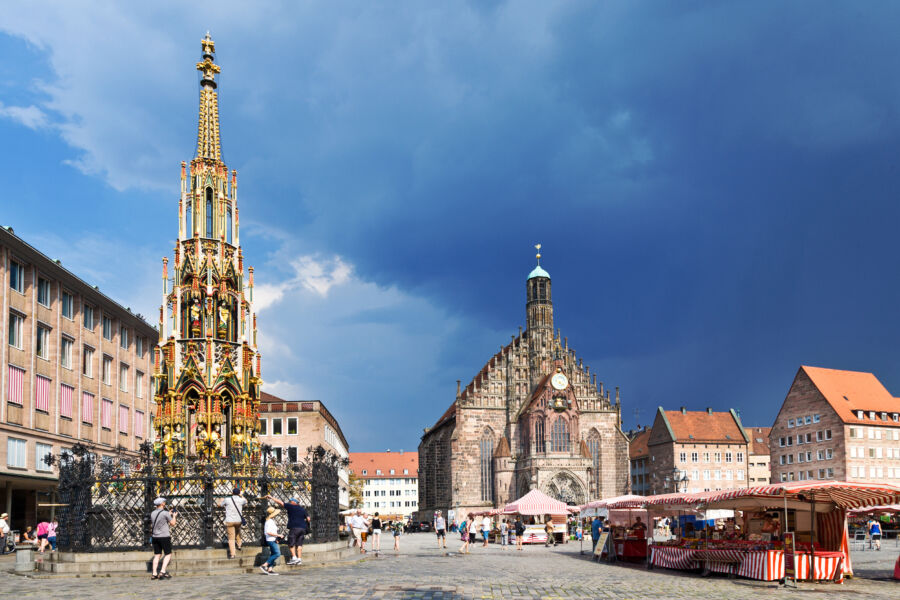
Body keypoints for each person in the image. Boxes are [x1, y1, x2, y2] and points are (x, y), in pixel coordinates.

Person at [265, 495, 309, 565]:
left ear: (293, 502)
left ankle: (294, 558)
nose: (290, 502)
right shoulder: (303, 509)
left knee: (291, 543)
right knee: (299, 544)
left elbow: (280, 502)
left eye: (291, 501)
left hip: (294, 528)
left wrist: (271, 497)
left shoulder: (291, 506)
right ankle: (299, 559)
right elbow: (308, 519)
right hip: (302, 528)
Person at [150, 497, 177, 580]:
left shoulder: (153, 513)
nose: (165, 503)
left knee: (157, 555)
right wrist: (174, 516)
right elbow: (172, 523)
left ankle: (154, 573)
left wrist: (168, 513)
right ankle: (162, 571)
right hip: (164, 536)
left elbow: (160, 518)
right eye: (164, 502)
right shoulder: (165, 513)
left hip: (155, 537)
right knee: (168, 554)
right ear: (161, 504)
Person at [217, 487, 247, 559]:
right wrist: (241, 495)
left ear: (232, 493)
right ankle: (239, 545)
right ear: (239, 493)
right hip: (238, 520)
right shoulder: (241, 500)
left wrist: (220, 500)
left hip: (230, 521)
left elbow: (219, 505)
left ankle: (233, 554)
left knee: (231, 538)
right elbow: (246, 501)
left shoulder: (227, 500)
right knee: (238, 532)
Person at [260, 506, 282, 575]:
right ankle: (264, 565)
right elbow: (268, 532)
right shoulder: (269, 521)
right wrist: (278, 535)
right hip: (271, 540)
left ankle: (270, 569)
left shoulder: (270, 521)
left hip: (273, 539)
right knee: (277, 554)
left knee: (273, 554)